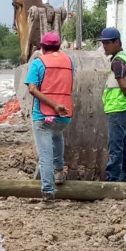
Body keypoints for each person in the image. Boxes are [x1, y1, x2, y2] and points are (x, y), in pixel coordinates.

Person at [25, 31, 75, 202]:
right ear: (59, 46)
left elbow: (32, 89)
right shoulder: (70, 61)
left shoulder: (38, 63)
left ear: (42, 47)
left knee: (45, 155)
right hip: (64, 114)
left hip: (44, 115)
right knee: (57, 135)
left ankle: (48, 191)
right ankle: (59, 171)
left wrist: (53, 105)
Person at [100, 26, 126, 183]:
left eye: (107, 43)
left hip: (118, 109)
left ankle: (113, 181)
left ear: (116, 42)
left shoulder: (117, 62)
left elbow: (124, 85)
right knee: (125, 147)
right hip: (125, 110)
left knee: (115, 147)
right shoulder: (125, 58)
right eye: (103, 43)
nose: (104, 46)